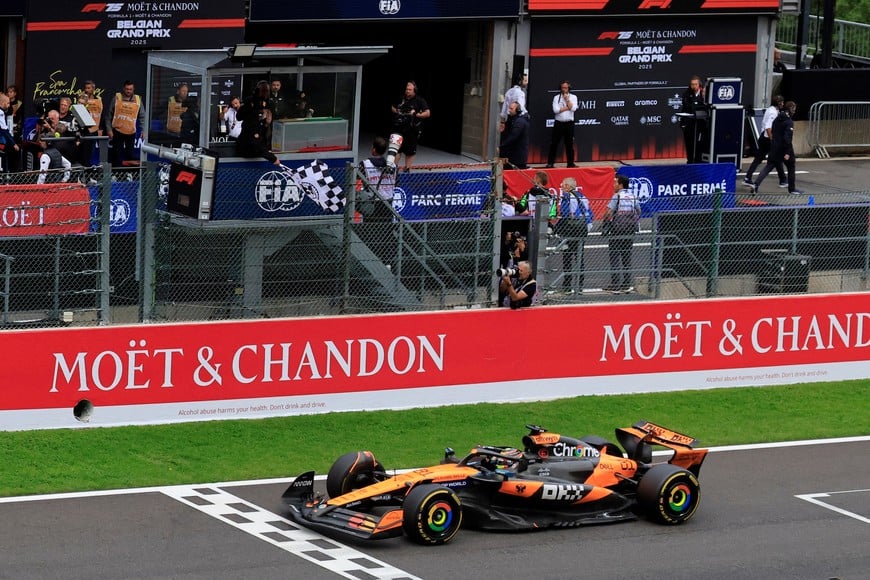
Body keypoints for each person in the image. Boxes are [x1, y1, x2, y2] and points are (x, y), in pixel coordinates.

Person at [750, 101, 802, 195]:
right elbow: (787, 138)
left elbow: (773, 131)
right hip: (784, 148)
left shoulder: (777, 119)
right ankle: (792, 188)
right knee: (791, 166)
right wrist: (787, 152)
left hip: (774, 147)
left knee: (769, 166)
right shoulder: (789, 122)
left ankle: (756, 184)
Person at [554, 176, 593, 294]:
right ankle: (580, 286)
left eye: (563, 185)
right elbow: (590, 213)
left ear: (568, 186)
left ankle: (567, 286)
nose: (561, 186)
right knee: (579, 257)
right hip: (583, 228)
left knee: (567, 257)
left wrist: (557, 228)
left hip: (570, 229)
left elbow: (565, 214)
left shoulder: (566, 197)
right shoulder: (583, 197)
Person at [603, 173, 640, 293]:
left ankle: (615, 284)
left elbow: (609, 212)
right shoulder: (633, 196)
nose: (613, 185)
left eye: (615, 182)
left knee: (614, 256)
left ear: (620, 185)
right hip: (629, 230)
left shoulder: (617, 196)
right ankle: (627, 283)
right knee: (626, 257)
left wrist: (606, 219)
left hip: (617, 230)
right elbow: (638, 210)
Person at [744, 95, 787, 188]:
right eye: (782, 102)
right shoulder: (773, 113)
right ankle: (783, 180)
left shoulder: (771, 109)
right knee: (777, 158)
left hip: (763, 137)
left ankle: (748, 177)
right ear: (778, 103)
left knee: (758, 158)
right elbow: (768, 127)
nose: (783, 104)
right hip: (768, 138)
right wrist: (772, 139)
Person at [236, 80, 280, 165]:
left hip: (259, 149)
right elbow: (256, 143)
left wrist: (267, 124)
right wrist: (273, 159)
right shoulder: (252, 116)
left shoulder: (263, 115)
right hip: (248, 151)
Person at [391, 81, 430, 172]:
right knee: (397, 148)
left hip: (412, 129)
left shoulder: (420, 100)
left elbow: (427, 113)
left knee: (410, 151)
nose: (407, 91)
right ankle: (393, 168)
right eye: (406, 89)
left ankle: (407, 168)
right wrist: (397, 111)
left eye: (409, 89)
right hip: (399, 128)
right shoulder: (401, 98)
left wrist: (417, 115)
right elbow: (392, 107)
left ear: (414, 91)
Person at [104, 80, 145, 166]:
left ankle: (128, 174)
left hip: (131, 132)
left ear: (133, 89)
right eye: (127, 89)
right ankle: (115, 173)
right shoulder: (116, 98)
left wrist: (143, 130)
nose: (128, 91)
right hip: (117, 131)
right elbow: (108, 116)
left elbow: (142, 116)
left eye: (130, 89)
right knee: (116, 154)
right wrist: (109, 130)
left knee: (130, 154)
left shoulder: (138, 100)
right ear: (123, 88)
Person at [358, 136, 396, 222]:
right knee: (386, 229)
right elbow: (397, 183)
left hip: (372, 203)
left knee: (369, 230)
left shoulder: (365, 164)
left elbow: (357, 178)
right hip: (388, 202)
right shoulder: (393, 166)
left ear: (374, 149)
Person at [546, 81, 578, 168]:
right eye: (562, 88)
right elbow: (556, 110)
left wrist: (567, 100)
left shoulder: (573, 97)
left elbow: (574, 108)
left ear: (569, 88)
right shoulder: (556, 98)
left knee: (569, 144)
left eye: (565, 88)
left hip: (569, 124)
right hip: (559, 123)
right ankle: (550, 163)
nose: (564, 90)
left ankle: (570, 163)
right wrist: (568, 107)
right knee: (554, 143)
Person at [36, 110, 72, 184]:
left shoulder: (61, 126)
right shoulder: (56, 152)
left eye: (52, 119)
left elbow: (43, 174)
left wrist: (38, 186)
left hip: (48, 184)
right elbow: (68, 164)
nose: (40, 142)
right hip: (57, 183)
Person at [680, 75, 706, 163]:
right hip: (689, 123)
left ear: (699, 84)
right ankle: (690, 161)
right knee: (689, 143)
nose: (694, 86)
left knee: (700, 143)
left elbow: (705, 106)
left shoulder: (704, 93)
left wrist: (699, 101)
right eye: (692, 84)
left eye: (695, 84)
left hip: (701, 123)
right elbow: (687, 105)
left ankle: (699, 161)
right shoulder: (687, 93)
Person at [498, 101, 530, 170]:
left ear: (517, 110)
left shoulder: (520, 122)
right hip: (512, 156)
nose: (509, 110)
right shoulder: (512, 120)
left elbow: (513, 136)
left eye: (511, 109)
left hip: (518, 158)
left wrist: (502, 146)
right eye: (509, 108)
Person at [78, 80, 103, 166]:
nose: (87, 90)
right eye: (86, 88)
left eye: (89, 88)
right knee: (83, 152)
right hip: (84, 129)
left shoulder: (98, 100)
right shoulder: (81, 99)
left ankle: (89, 170)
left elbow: (102, 114)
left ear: (93, 89)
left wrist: (101, 128)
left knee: (90, 152)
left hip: (94, 129)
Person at [0, 93, 19, 171]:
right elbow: (4, 129)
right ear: (2, 103)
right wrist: (13, 143)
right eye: (7, 103)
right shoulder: (0, 113)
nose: (8, 105)